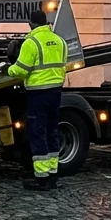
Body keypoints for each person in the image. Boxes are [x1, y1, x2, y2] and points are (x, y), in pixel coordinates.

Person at [7, 10, 69, 191]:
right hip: (55, 92)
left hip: (38, 95)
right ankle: (53, 175)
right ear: (46, 22)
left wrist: (7, 69)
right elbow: (63, 63)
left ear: (31, 24)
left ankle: (41, 179)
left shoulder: (31, 43)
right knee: (52, 132)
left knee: (38, 133)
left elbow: (20, 70)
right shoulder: (60, 41)